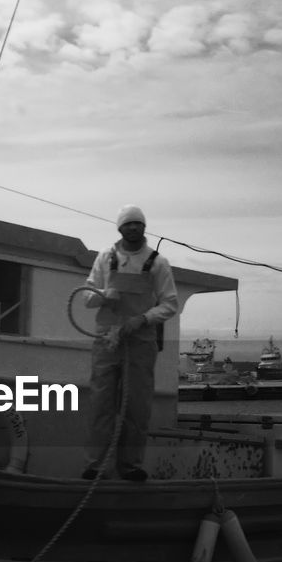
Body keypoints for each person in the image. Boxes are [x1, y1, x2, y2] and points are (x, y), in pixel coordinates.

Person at [82, 205, 178, 480]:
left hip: (141, 341)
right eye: (129, 224)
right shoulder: (104, 257)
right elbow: (86, 298)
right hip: (107, 340)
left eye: (139, 224)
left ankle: (130, 466)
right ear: (120, 228)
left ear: (144, 228)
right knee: (101, 403)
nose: (134, 228)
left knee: (136, 406)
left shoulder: (158, 263)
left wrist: (143, 319)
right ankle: (95, 466)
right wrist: (103, 294)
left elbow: (170, 304)